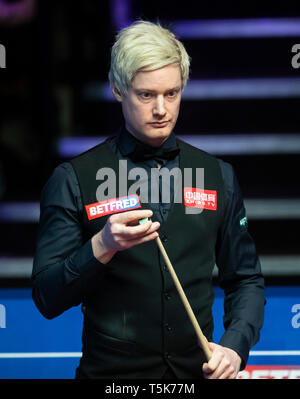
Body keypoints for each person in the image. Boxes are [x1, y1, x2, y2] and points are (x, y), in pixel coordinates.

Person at [32, 20, 265, 379]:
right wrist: (101, 245)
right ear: (117, 90)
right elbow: (47, 297)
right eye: (146, 95)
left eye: (172, 93)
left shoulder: (218, 176)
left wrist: (234, 347)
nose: (161, 109)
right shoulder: (74, 179)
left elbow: (246, 279)